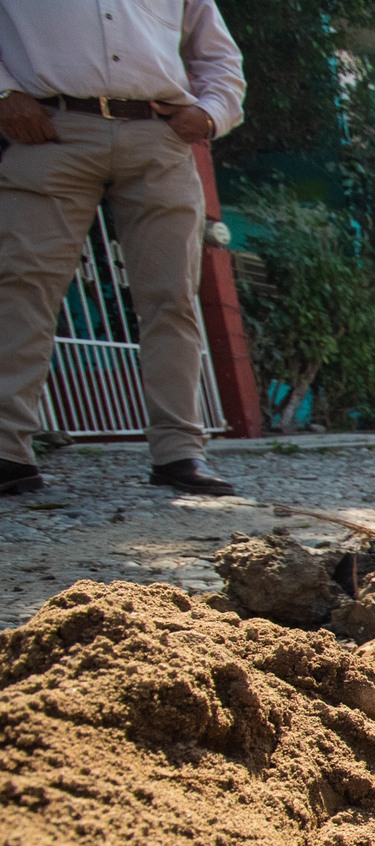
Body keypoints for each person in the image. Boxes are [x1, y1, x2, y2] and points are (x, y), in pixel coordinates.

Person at [0, 0, 245, 497]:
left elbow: (218, 55)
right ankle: (6, 452)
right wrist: (3, 92)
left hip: (160, 138)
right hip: (51, 130)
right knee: (23, 285)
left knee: (171, 296)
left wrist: (211, 111)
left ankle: (179, 454)